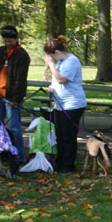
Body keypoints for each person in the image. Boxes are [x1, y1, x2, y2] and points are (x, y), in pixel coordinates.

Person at [43, 35, 86, 174]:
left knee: (68, 136)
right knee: (59, 135)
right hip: (60, 105)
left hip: (73, 105)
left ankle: (68, 166)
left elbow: (61, 79)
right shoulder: (61, 62)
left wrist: (51, 65)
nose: (52, 60)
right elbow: (56, 80)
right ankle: (60, 162)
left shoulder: (72, 61)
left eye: (51, 57)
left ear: (56, 53)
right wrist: (51, 87)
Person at [0, 25, 30, 171]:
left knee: (14, 128)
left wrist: (17, 98)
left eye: (10, 41)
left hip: (12, 97)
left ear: (16, 39)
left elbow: (21, 79)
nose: (7, 44)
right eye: (5, 41)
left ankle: (19, 156)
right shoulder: (0, 51)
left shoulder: (22, 55)